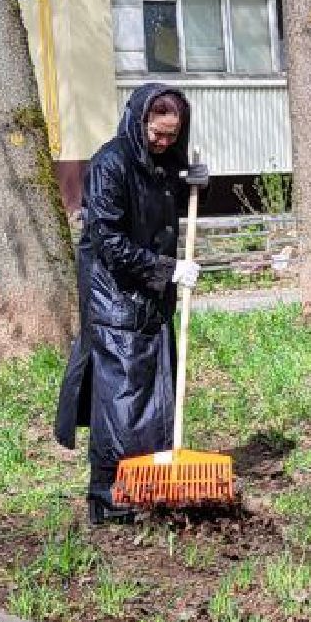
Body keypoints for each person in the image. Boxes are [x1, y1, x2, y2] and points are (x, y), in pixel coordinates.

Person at [55, 83, 208, 524]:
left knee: (153, 393)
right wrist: (166, 268)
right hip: (114, 297)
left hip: (149, 298)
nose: (163, 143)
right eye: (157, 135)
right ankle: (110, 498)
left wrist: (193, 184)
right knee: (121, 401)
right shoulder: (110, 164)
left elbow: (164, 209)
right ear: (138, 121)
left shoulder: (161, 166)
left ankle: (150, 484)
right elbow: (107, 239)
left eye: (171, 137)